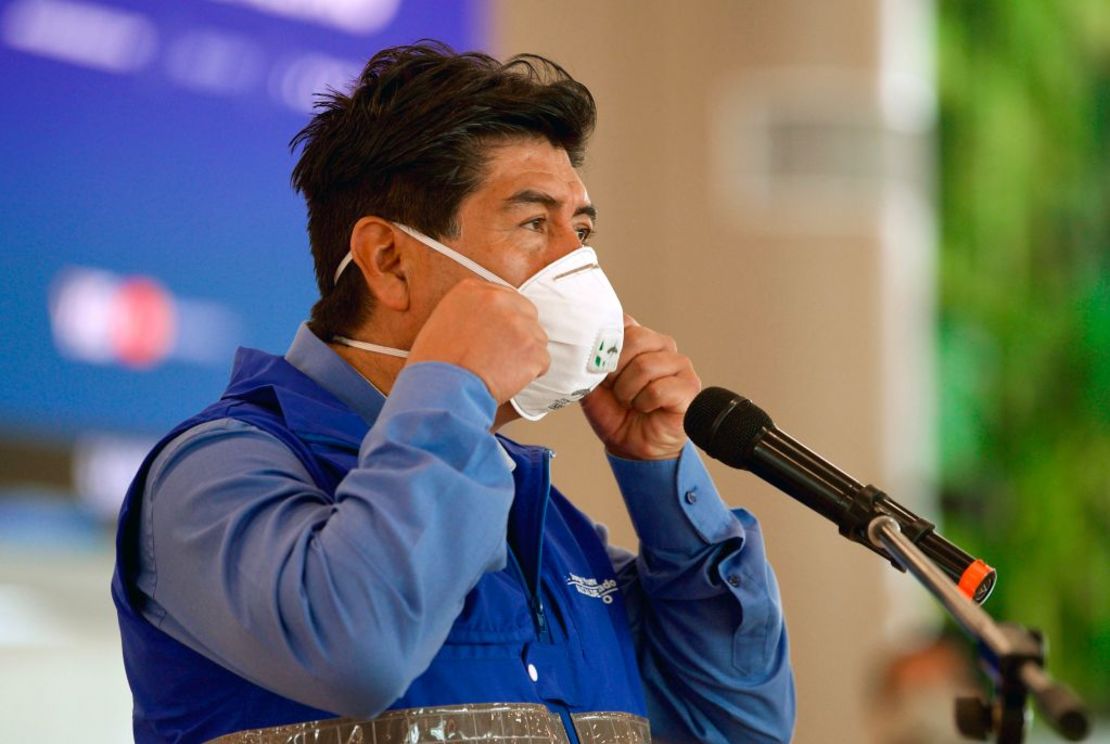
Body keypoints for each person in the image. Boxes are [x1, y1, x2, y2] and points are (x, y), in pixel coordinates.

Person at [111, 42, 795, 744]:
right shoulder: (215, 471)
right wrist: (452, 384)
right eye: (534, 224)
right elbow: (359, 648)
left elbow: (735, 724)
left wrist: (659, 473)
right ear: (388, 260)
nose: (579, 263)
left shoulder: (543, 522)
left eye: (582, 230)